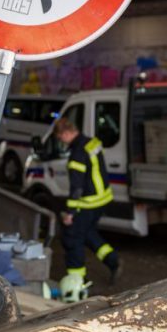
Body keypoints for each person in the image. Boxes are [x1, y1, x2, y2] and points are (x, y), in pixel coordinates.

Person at [53, 117, 120, 301]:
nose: (61, 142)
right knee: (88, 233)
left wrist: (70, 213)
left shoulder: (77, 153)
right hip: (102, 200)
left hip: (87, 202)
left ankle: (77, 284)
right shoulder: (91, 143)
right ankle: (112, 260)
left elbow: (77, 187)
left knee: (72, 238)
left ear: (65, 133)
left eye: (60, 138)